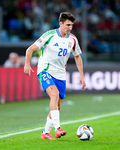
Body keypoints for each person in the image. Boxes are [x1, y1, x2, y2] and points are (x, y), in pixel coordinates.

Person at [24, 12, 86, 140]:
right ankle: (58, 128)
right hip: (45, 70)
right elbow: (30, 49)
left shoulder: (72, 39)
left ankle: (45, 132)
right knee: (54, 94)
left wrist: (82, 75)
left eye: (72, 25)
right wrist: (27, 64)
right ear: (60, 24)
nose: (70, 28)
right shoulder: (49, 35)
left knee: (57, 105)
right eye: (68, 25)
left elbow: (77, 56)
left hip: (60, 74)